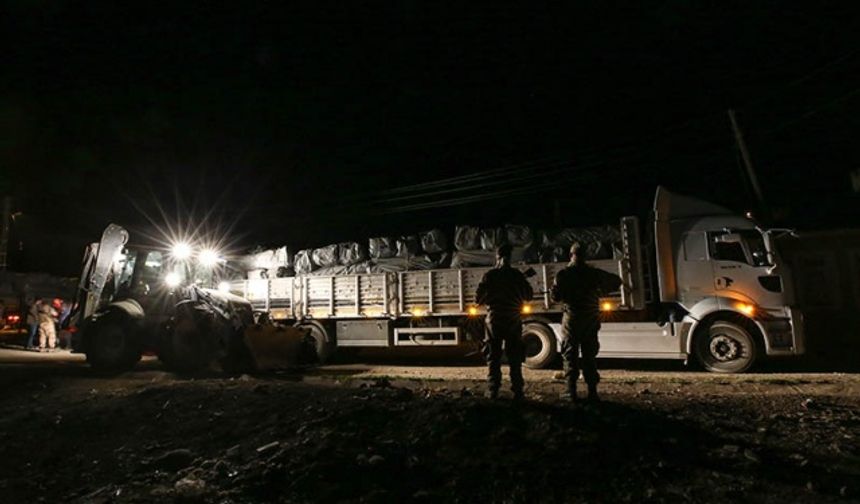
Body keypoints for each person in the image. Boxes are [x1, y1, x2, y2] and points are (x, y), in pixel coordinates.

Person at [551, 242, 622, 402]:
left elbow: (556, 298)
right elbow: (617, 281)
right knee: (589, 357)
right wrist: (600, 291)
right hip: (590, 319)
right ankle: (592, 392)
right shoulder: (593, 273)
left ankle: (571, 391)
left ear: (571, 255)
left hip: (572, 320)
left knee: (570, 356)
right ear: (585, 256)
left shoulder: (563, 274)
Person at [475, 243, 534, 400]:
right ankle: (518, 391)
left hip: (494, 319)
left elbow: (478, 299)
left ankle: (493, 390)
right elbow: (528, 296)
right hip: (513, 319)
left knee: (493, 356)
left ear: (497, 256)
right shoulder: (517, 275)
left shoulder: (490, 275)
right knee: (515, 357)